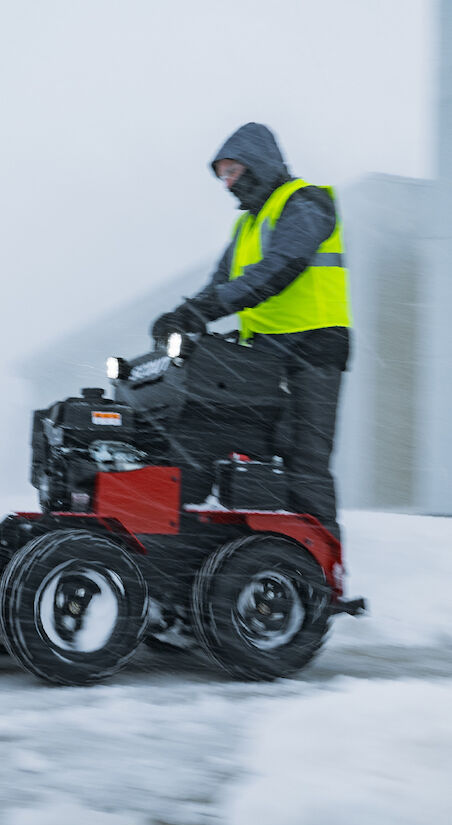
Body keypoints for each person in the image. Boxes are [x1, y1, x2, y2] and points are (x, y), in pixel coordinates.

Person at [151, 122, 351, 540]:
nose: (227, 185)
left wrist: (204, 309)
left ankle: (322, 572)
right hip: (263, 355)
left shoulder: (305, 203)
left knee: (305, 461)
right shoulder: (245, 227)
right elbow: (219, 285)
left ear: (257, 165)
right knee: (238, 449)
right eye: (222, 175)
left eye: (232, 172)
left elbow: (278, 269)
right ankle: (260, 551)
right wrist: (183, 315)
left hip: (312, 351)